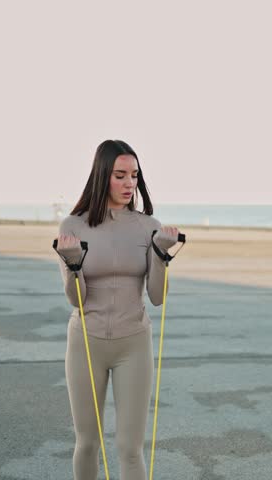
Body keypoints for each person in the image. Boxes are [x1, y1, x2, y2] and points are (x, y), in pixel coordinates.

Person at [55, 139, 179, 480]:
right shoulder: (72, 227)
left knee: (130, 447)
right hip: (86, 343)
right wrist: (73, 265)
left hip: (133, 344)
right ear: (102, 176)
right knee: (87, 443)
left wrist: (161, 256)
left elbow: (156, 296)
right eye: (120, 175)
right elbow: (75, 298)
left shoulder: (148, 226)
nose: (129, 184)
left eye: (134, 176)